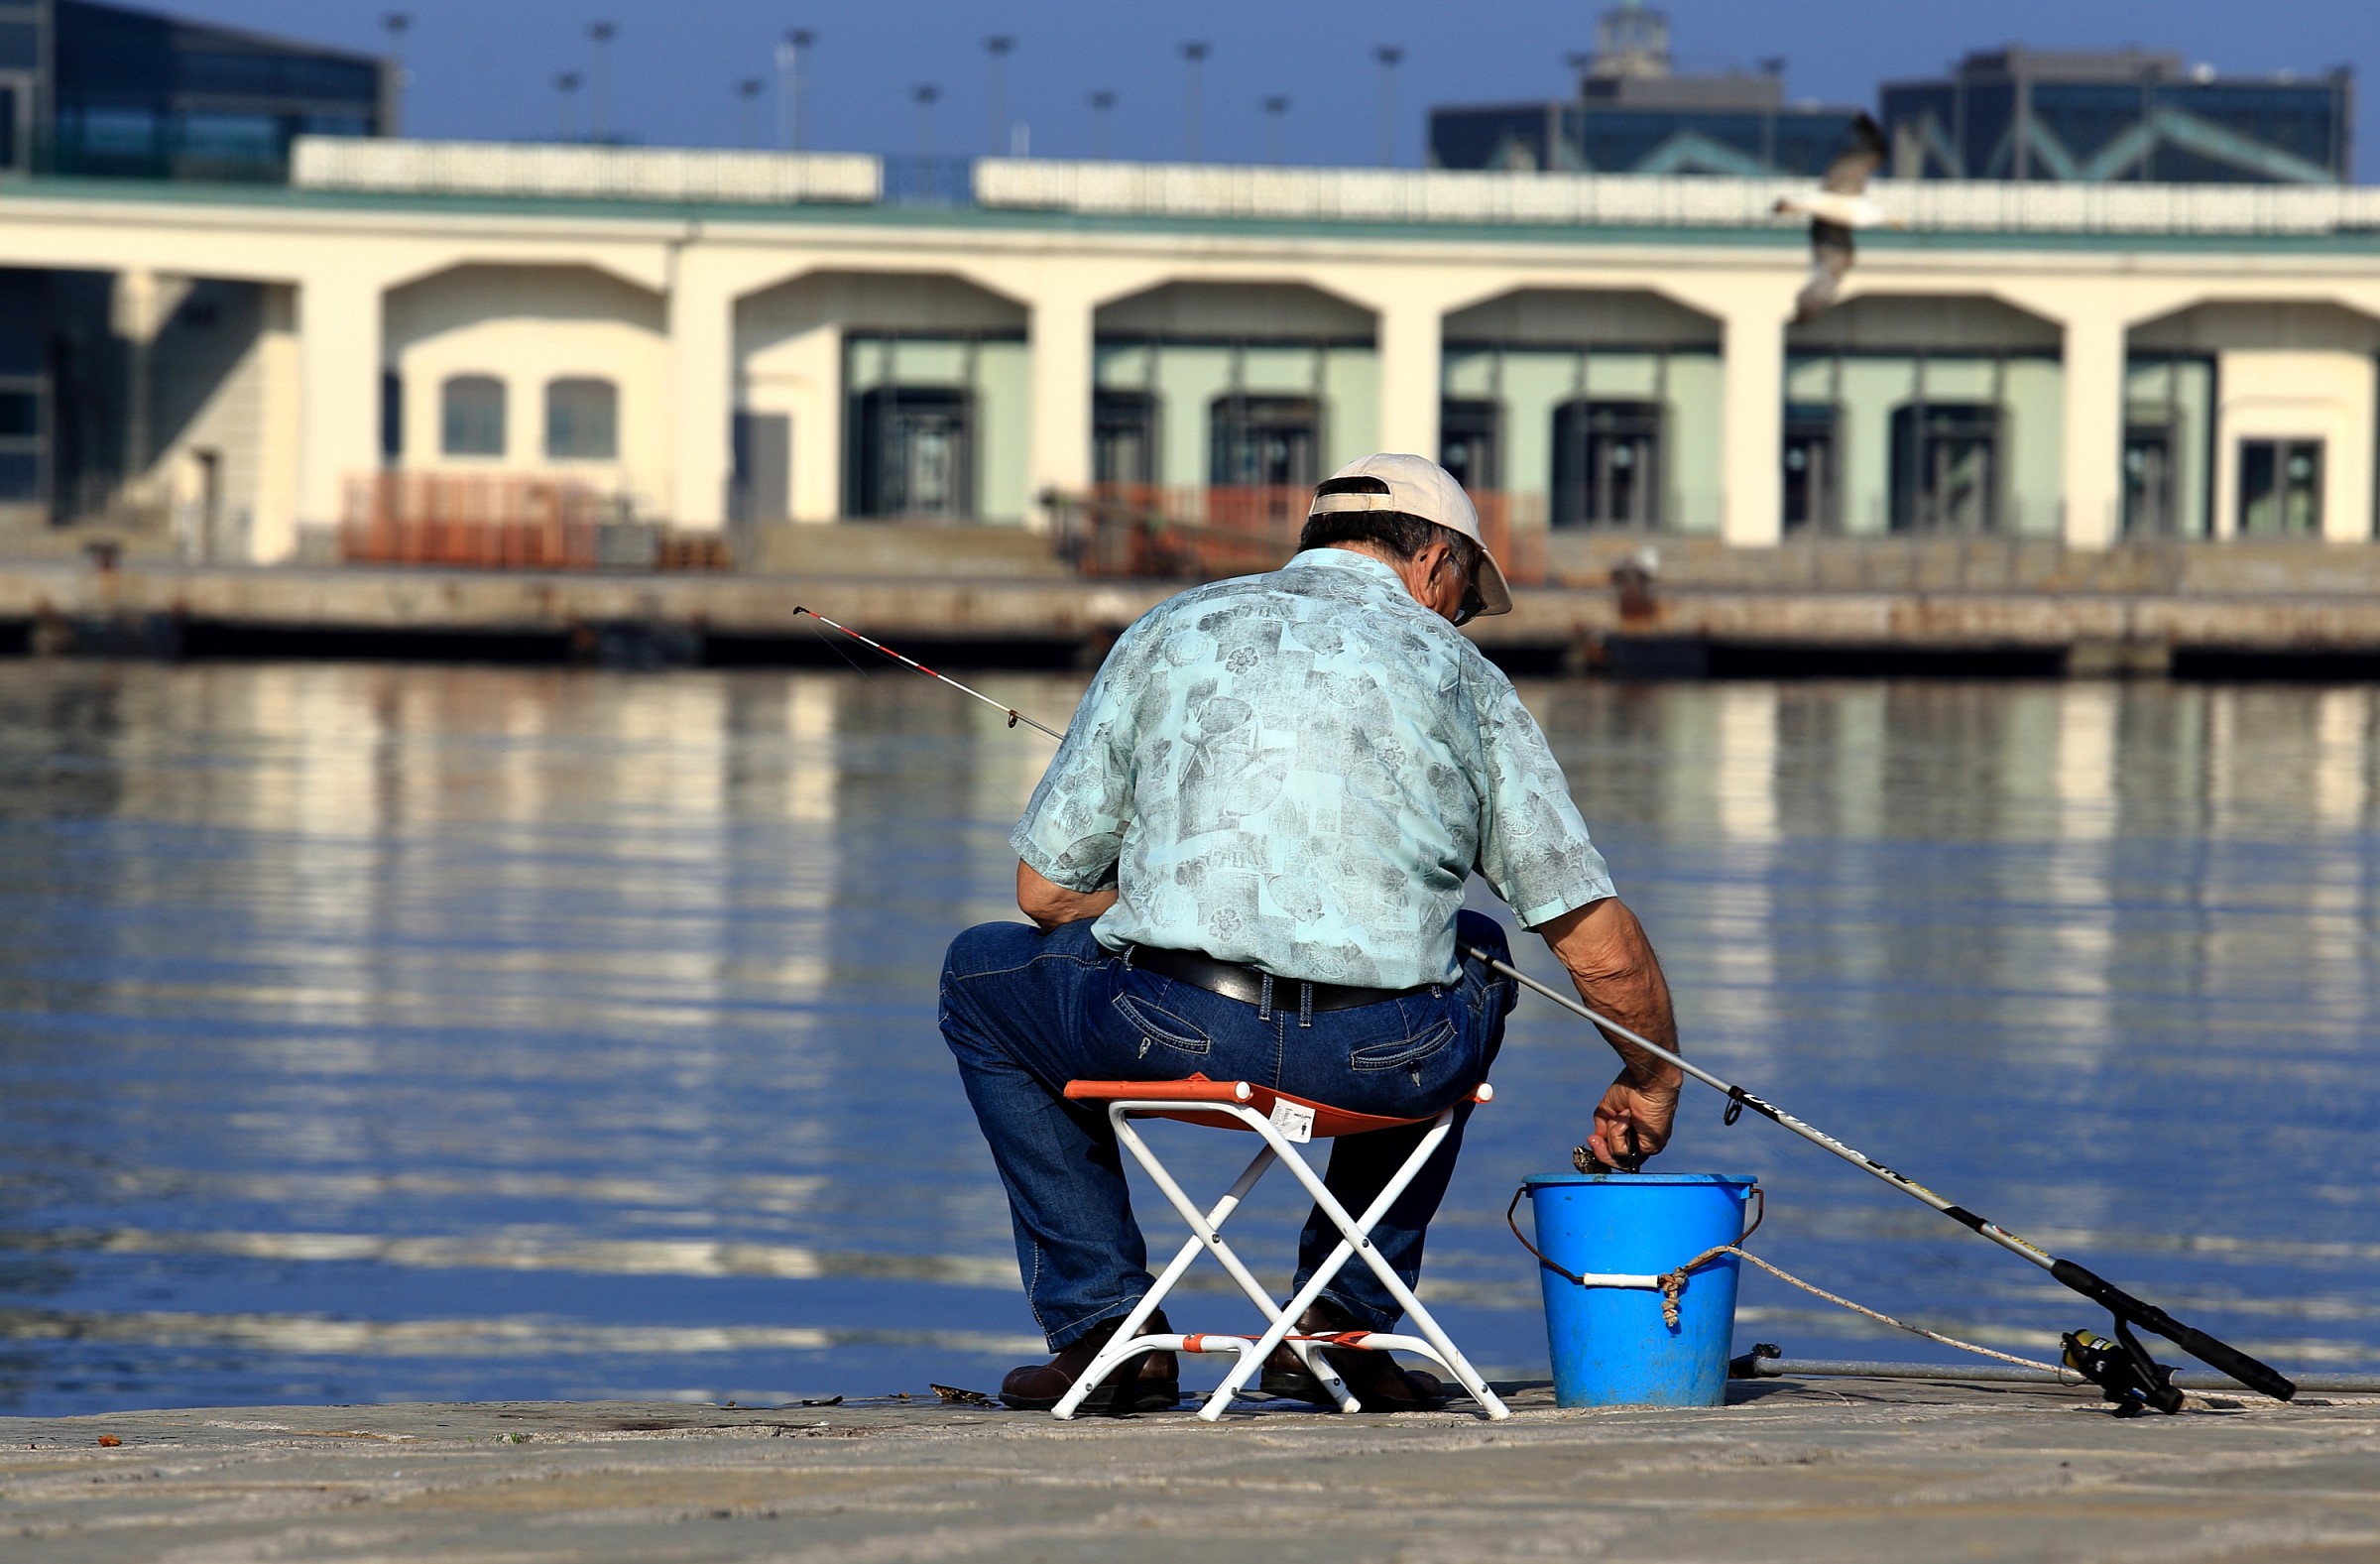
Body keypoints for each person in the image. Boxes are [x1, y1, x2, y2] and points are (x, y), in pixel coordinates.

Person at [940, 453, 1682, 1414]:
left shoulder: (1170, 629)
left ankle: (1105, 1333)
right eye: (1462, 596)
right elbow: (1588, 928)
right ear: (1436, 564)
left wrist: (1174, 904)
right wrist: (1650, 1074)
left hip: (1168, 1035)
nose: (1455, 616)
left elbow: (1044, 892)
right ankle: (1340, 1329)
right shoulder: (1463, 672)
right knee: (1482, 952)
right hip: (1386, 1062)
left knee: (980, 970)